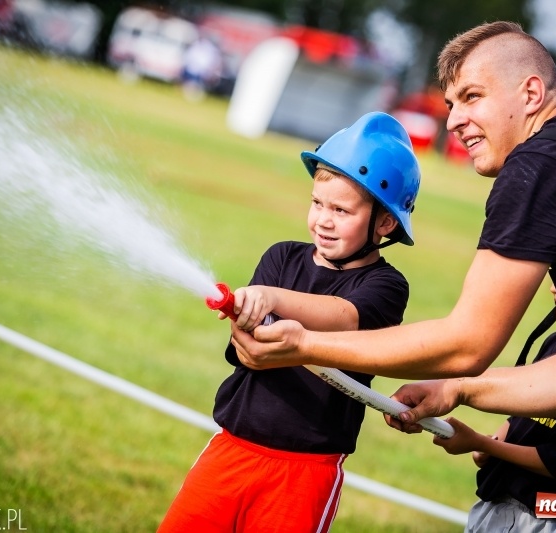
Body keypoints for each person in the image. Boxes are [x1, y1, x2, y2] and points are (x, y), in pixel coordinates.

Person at [231, 21, 556, 530]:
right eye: (450, 103)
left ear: (531, 93)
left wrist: (305, 346)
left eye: (471, 97)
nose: (454, 120)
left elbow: (468, 342)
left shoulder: (540, 161)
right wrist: (457, 389)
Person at [157, 112, 421, 533]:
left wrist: (273, 298)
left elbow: (344, 317)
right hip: (231, 449)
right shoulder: (281, 257)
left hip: (304, 470)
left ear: (385, 223)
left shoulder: (386, 285)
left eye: (341, 210)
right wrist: (248, 319)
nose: (323, 220)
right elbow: (250, 353)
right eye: (318, 203)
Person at [429, 285, 556, 532]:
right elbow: (526, 411)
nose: (554, 286)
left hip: (547, 519)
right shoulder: (555, 340)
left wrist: (481, 443)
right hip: (498, 506)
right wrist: (495, 440)